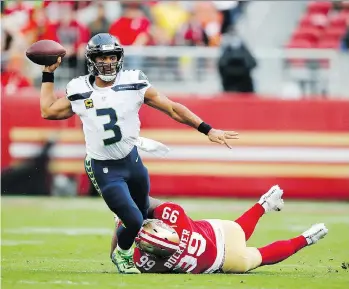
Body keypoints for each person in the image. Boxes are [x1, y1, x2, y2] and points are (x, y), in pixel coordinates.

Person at [38, 33, 239, 274]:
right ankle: (122, 256)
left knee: (141, 213)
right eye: (102, 58)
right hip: (103, 167)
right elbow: (48, 111)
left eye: (112, 57)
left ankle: (122, 224)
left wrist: (207, 129)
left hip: (132, 161)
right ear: (92, 61)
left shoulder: (134, 81)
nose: (108, 63)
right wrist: (48, 73)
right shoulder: (79, 88)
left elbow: (172, 108)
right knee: (133, 219)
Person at [110, 185, 328, 274]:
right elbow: (146, 202)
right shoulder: (175, 216)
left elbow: (116, 253)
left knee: (260, 256)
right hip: (217, 233)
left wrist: (121, 222)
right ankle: (263, 205)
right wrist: (128, 210)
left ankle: (307, 238)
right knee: (237, 231)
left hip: (225, 262)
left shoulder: (144, 263)